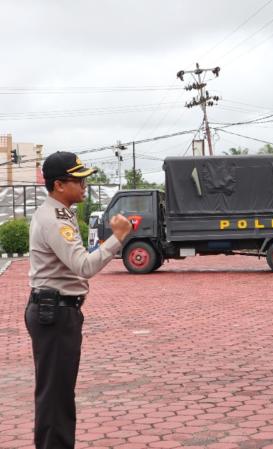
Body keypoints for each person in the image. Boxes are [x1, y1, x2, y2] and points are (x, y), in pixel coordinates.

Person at [26, 151, 132, 449]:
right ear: (59, 185)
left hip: (57, 310)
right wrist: (118, 237)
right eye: (79, 180)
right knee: (55, 397)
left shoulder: (59, 213)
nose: (84, 185)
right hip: (54, 312)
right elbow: (84, 266)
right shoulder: (54, 219)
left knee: (58, 394)